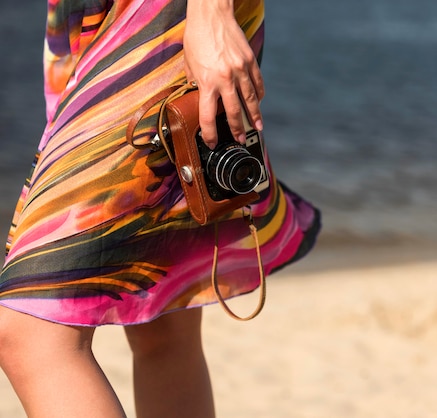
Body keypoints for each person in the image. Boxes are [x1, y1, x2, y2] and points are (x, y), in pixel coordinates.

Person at [0, 0, 321, 417]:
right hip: (88, 17)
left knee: (34, 332)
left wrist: (213, 12)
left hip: (163, 13)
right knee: (162, 317)